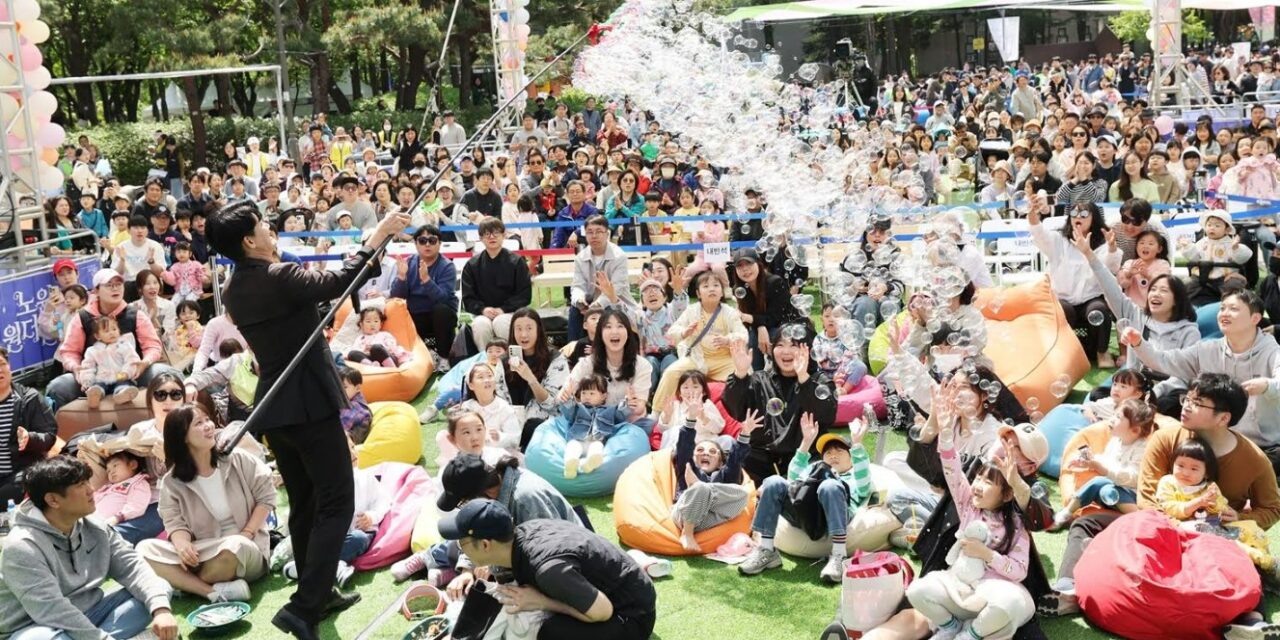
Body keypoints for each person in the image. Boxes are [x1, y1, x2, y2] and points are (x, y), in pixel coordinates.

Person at [206, 200, 409, 639]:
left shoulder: (235, 287)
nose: (269, 229)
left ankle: (319, 591)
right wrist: (376, 236)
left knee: (306, 503)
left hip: (277, 410)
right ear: (247, 239)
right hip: (307, 405)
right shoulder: (277, 275)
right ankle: (304, 606)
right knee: (337, 501)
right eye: (261, 225)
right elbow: (338, 280)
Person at [0, 457, 179, 640]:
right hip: (37, 627)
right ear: (53, 500)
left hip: (92, 612)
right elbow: (50, 609)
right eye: (80, 485)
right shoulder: (22, 546)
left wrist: (161, 609)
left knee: (158, 591)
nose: (91, 490)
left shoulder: (95, 524)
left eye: (87, 481)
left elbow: (131, 566)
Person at [437, 498, 657, 639]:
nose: (459, 548)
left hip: (630, 616)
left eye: (461, 544)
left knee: (550, 633)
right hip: (618, 589)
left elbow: (602, 612)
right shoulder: (524, 533)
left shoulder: (548, 569)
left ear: (486, 545)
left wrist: (542, 602)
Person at [1122, 290, 1280, 471]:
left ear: (1255, 318)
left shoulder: (1271, 350)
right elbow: (1162, 361)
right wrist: (1138, 343)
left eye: (1234, 309)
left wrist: (1267, 386)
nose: (1225, 313)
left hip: (1263, 443)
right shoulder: (1207, 349)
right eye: (1222, 308)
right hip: (1214, 437)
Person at [136, 405, 275, 604]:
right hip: (203, 552)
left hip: (246, 547)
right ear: (182, 436)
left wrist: (248, 532)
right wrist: (182, 544)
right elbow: (175, 523)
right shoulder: (172, 482)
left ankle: (183, 584)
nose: (209, 426)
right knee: (144, 549)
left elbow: (266, 497)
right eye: (199, 423)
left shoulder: (237, 459)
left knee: (235, 546)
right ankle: (211, 592)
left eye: (207, 420)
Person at [739, 414, 873, 583]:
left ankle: (838, 555)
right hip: (805, 513)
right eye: (828, 452)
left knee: (829, 485)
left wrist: (858, 442)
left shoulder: (855, 476)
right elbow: (792, 482)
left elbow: (864, 482)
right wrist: (806, 442)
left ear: (851, 457)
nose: (833, 456)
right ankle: (767, 550)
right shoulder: (814, 470)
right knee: (774, 482)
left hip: (835, 516)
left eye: (839, 451)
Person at [723, 322, 837, 485]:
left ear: (807, 350)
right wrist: (740, 373)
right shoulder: (759, 380)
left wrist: (803, 377)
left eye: (793, 345)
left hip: (806, 459)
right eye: (780, 345)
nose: (786, 351)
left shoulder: (820, 381)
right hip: (762, 462)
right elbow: (736, 410)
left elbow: (827, 415)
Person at [48, 269, 171, 410]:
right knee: (57, 387)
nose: (115, 288)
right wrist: (75, 367)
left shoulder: (136, 314)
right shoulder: (81, 317)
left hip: (132, 374)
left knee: (166, 374)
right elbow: (70, 351)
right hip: (93, 377)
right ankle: (63, 429)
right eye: (109, 285)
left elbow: (152, 346)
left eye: (119, 284)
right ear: (96, 291)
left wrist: (145, 362)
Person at [1029, 198, 1120, 367]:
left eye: (1084, 213)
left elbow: (1110, 268)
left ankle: (1101, 352)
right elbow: (1039, 233)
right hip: (1063, 298)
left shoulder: (1101, 243)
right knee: (1064, 310)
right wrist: (1032, 215)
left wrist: (1112, 247)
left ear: (1094, 218)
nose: (1079, 216)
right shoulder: (1058, 240)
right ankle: (1062, 352)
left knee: (1098, 309)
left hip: (1091, 298)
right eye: (1074, 213)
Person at [652, 269, 749, 410]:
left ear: (722, 292)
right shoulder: (692, 310)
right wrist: (684, 332)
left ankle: (741, 413)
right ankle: (657, 411)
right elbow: (673, 331)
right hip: (697, 358)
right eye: (706, 286)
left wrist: (728, 340)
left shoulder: (729, 312)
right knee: (671, 373)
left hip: (725, 360)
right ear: (698, 293)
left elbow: (743, 334)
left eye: (716, 286)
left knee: (744, 375)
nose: (711, 289)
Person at [1051, 398, 1155, 528]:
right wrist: (1089, 462)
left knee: (1101, 483)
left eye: (1118, 417)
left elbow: (1134, 478)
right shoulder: (1116, 440)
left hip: (1131, 496)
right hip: (1111, 493)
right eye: (1114, 414)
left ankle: (1066, 514)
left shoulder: (1143, 448)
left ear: (1135, 430)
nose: (1111, 419)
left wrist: (1104, 470)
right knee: (1106, 489)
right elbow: (1105, 460)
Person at [460, 217, 532, 350]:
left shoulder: (516, 262)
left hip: (509, 312)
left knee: (501, 322)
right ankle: (486, 362)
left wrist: (503, 309)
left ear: (504, 235)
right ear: (481, 238)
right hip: (482, 313)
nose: (492, 237)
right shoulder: (472, 265)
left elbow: (525, 294)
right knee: (480, 325)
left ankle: (510, 360)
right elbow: (468, 297)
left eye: (496, 233)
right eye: (487, 234)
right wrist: (482, 309)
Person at [0, 348, 58, 507]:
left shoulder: (29, 399)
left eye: (2, 364)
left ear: (9, 366)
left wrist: (30, 438)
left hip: (20, 472)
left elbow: (49, 436)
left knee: (8, 493)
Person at [567, 215, 634, 341]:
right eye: (590, 232)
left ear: (607, 233)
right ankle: (573, 349)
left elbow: (617, 289)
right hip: (589, 303)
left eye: (599, 232)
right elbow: (577, 285)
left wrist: (597, 305)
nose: (594, 236)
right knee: (574, 309)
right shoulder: (580, 258)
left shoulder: (619, 257)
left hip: (615, 302)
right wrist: (580, 301)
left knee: (608, 309)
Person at [560, 373, 632, 479]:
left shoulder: (609, 410)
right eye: (583, 393)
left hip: (596, 440)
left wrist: (627, 401)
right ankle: (570, 465)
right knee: (572, 447)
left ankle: (590, 462)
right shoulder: (578, 408)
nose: (587, 396)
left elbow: (620, 415)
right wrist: (569, 398)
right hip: (578, 439)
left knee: (597, 447)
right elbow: (568, 413)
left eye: (592, 393)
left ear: (603, 396)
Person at [77, 315, 142, 410]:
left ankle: (121, 395)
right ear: (97, 336)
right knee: (97, 386)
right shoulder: (93, 350)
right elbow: (88, 367)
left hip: (120, 377)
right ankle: (95, 395)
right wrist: (87, 381)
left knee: (123, 384)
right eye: (106, 331)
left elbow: (131, 360)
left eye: (114, 329)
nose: (112, 333)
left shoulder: (124, 345)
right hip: (102, 379)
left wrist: (126, 373)